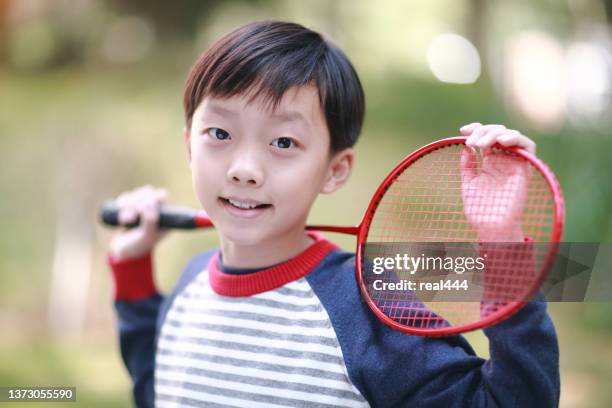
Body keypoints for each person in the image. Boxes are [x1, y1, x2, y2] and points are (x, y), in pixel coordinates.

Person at [106, 20, 558, 408]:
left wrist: (501, 237)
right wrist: (132, 273)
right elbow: (160, 389)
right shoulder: (190, 283)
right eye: (219, 132)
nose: (244, 169)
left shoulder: (366, 305)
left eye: (284, 143)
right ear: (189, 145)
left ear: (334, 170)